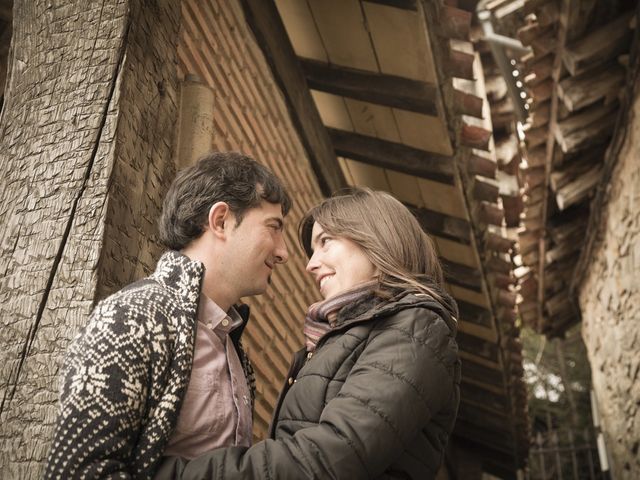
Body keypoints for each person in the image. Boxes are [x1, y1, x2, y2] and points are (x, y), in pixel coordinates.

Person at [156, 188, 461, 480]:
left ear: (378, 240)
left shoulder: (417, 327)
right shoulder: (341, 339)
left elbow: (330, 458)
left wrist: (169, 474)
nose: (310, 265)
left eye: (325, 242)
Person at [44, 152, 291, 479]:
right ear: (221, 221)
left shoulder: (234, 353)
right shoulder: (133, 315)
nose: (283, 251)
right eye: (273, 228)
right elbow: (79, 472)